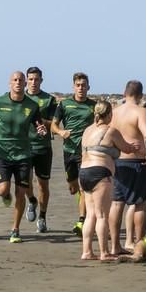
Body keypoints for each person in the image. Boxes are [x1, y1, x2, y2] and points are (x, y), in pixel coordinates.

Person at [0, 71, 46, 243]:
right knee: (3, 191)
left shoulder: (32, 105)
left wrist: (41, 130)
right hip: (3, 154)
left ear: (25, 84)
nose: (18, 82)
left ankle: (15, 230)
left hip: (23, 155)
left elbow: (39, 124)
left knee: (20, 192)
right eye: (15, 80)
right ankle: (7, 196)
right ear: (10, 83)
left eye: (21, 80)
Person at [79, 100, 138, 262]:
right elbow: (126, 148)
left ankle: (87, 251)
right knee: (102, 215)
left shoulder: (87, 130)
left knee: (90, 214)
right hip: (100, 172)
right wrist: (133, 147)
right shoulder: (111, 131)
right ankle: (104, 252)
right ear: (110, 114)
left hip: (83, 172)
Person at [108, 81, 146, 255]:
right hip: (136, 163)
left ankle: (115, 245)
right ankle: (138, 244)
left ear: (124, 92)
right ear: (141, 95)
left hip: (117, 162)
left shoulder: (114, 112)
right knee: (140, 205)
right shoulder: (141, 112)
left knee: (116, 204)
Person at [51, 72, 96, 236]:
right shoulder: (64, 105)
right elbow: (53, 125)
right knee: (73, 187)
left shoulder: (93, 106)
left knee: (84, 188)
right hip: (68, 151)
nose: (81, 88)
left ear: (88, 87)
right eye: (78, 85)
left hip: (86, 152)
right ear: (73, 87)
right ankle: (81, 200)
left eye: (84, 85)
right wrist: (61, 132)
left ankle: (82, 220)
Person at [24, 66, 58, 233]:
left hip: (43, 147)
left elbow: (54, 123)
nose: (33, 83)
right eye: (30, 79)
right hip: (23, 147)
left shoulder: (49, 100)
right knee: (25, 182)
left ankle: (43, 217)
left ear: (41, 80)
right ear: (26, 80)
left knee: (43, 185)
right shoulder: (19, 98)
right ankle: (31, 201)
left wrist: (38, 121)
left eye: (36, 79)